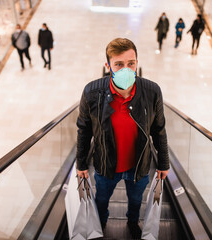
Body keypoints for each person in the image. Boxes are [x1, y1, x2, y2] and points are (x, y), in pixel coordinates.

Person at [76, 38, 170, 239]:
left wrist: (163, 163)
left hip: (138, 167)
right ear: (108, 66)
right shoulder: (91, 93)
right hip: (105, 167)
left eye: (131, 63)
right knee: (101, 200)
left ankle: (132, 222)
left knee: (136, 200)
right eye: (119, 64)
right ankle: (100, 223)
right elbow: (83, 130)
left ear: (137, 63)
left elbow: (159, 129)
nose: (126, 69)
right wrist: (81, 163)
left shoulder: (152, 92)